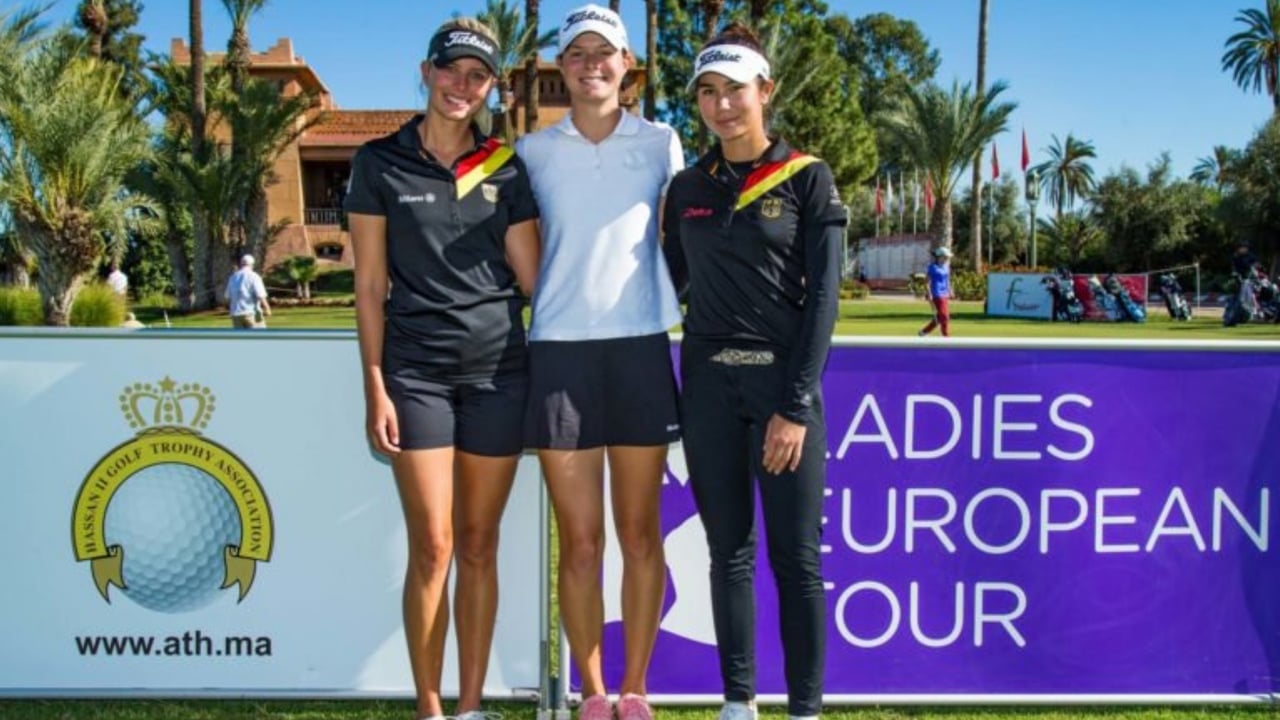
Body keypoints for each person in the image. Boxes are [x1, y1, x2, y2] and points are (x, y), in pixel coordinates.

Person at [343, 17, 540, 720]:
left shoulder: (506, 167)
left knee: (480, 545)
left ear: (490, 87)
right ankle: (429, 708)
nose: (462, 86)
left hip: (499, 375)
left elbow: (532, 280)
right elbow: (369, 288)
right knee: (435, 544)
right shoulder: (379, 162)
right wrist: (375, 387)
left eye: (478, 76)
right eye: (452, 70)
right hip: (416, 375)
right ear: (426, 73)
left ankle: (470, 705)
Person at [661, 23, 846, 720]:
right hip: (708, 386)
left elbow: (824, 300)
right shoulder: (686, 187)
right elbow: (663, 285)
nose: (721, 105)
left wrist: (795, 406)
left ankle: (805, 708)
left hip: (781, 391)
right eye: (707, 92)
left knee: (796, 562)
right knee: (727, 554)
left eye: (734, 90)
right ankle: (738, 703)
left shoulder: (808, 177)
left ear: (765, 91)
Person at [515, 6, 682, 720]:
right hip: (559, 356)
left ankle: (635, 690)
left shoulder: (662, 143)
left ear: (626, 67)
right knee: (579, 543)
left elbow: (682, 239)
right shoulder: (532, 152)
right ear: (561, 68)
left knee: (640, 533)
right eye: (577, 53)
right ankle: (591, 692)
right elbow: (523, 247)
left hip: (641, 347)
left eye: (604, 53)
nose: (592, 64)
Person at [225, 254, 271, 329]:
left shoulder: (233, 277)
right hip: (251, 313)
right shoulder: (254, 276)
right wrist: (267, 308)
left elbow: (228, 297)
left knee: (241, 339)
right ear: (252, 265)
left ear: (241, 264)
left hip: (236, 314)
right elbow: (260, 295)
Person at [918, 246, 952, 337]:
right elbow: (927, 282)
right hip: (936, 294)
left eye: (947, 257)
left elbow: (947, 280)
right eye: (944, 257)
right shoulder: (932, 267)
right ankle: (946, 336)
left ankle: (924, 332)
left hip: (944, 294)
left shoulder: (946, 267)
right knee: (944, 316)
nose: (946, 259)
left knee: (940, 317)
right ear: (939, 257)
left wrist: (950, 290)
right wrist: (929, 293)